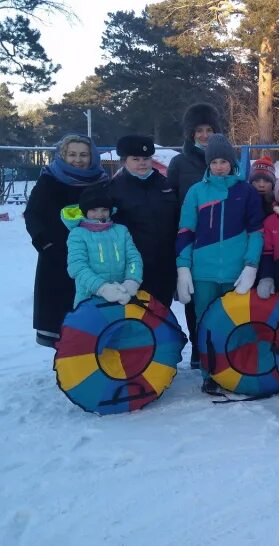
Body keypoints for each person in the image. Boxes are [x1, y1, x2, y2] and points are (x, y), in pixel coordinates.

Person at [175, 134, 265, 393]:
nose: (219, 166)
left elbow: (256, 232)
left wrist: (251, 266)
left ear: (232, 162)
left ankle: (236, 370)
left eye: (223, 161)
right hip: (203, 273)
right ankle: (209, 374)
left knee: (236, 324)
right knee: (206, 324)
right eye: (214, 161)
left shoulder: (245, 192)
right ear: (208, 163)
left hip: (236, 273)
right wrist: (183, 268)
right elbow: (185, 231)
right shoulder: (196, 192)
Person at [24, 133, 109, 348]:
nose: (78, 160)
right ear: (63, 155)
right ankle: (67, 365)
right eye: (72, 154)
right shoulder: (50, 179)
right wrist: (45, 243)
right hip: (57, 257)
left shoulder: (101, 180)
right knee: (61, 316)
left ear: (92, 157)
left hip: (94, 258)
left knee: (93, 316)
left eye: (83, 155)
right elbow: (33, 214)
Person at [167, 102, 222, 368]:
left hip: (223, 241)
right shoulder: (179, 163)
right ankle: (199, 349)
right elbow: (171, 201)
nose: (204, 135)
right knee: (194, 296)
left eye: (209, 129)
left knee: (220, 294)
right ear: (190, 133)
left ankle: (220, 347)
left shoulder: (225, 162)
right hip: (192, 240)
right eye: (198, 130)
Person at [109, 135, 179, 307]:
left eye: (146, 158)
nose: (142, 163)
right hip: (132, 270)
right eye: (136, 159)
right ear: (125, 161)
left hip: (165, 266)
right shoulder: (113, 189)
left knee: (161, 316)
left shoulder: (165, 184)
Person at [64, 185, 143, 308]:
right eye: (94, 210)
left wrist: (132, 281)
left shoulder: (121, 231)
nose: (100, 214)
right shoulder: (78, 234)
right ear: (85, 211)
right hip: (89, 301)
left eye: (104, 209)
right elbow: (77, 267)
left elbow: (133, 258)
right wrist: (102, 288)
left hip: (123, 298)